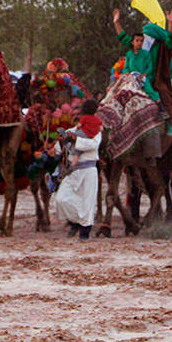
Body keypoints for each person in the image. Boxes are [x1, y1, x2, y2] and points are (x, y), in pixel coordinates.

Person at [55, 99, 102, 241]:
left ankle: (84, 232)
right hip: (73, 170)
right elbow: (59, 149)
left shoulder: (96, 132)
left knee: (87, 203)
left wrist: (75, 140)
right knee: (60, 199)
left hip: (88, 170)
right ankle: (74, 221)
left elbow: (93, 145)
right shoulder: (72, 131)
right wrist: (61, 140)